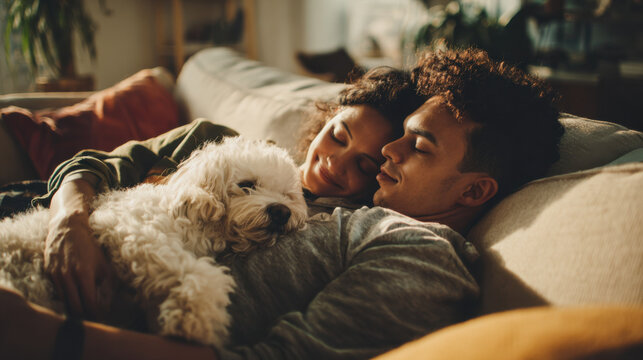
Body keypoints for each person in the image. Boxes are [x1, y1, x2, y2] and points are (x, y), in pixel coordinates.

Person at [0, 48, 564, 360]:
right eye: (343, 136)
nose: (382, 154)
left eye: (414, 146)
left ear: (473, 191)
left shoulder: (414, 251)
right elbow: (93, 164)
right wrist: (70, 217)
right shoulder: (234, 155)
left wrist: (53, 339)